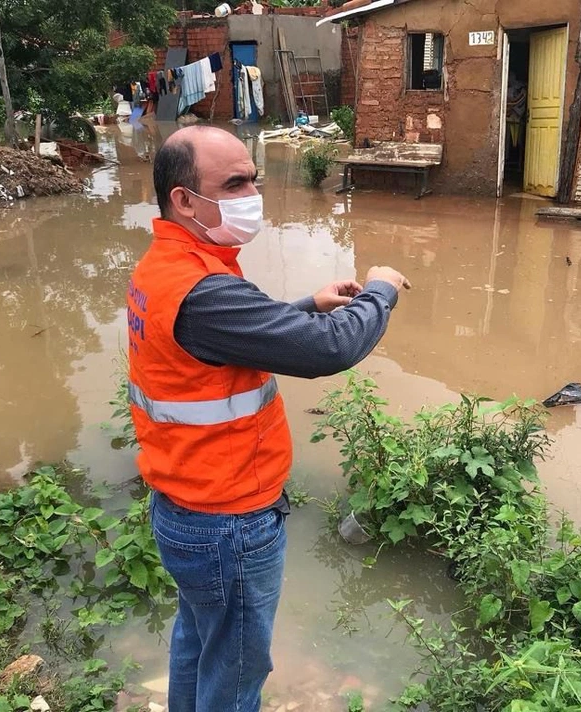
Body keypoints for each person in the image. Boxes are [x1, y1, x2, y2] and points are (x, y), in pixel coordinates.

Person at [126, 125, 411, 712]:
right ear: (183, 199)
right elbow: (327, 351)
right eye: (234, 184)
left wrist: (307, 305)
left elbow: (221, 339)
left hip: (183, 504)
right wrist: (379, 292)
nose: (252, 194)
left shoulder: (169, 266)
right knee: (235, 668)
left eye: (253, 179)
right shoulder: (203, 287)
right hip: (227, 520)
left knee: (200, 639)